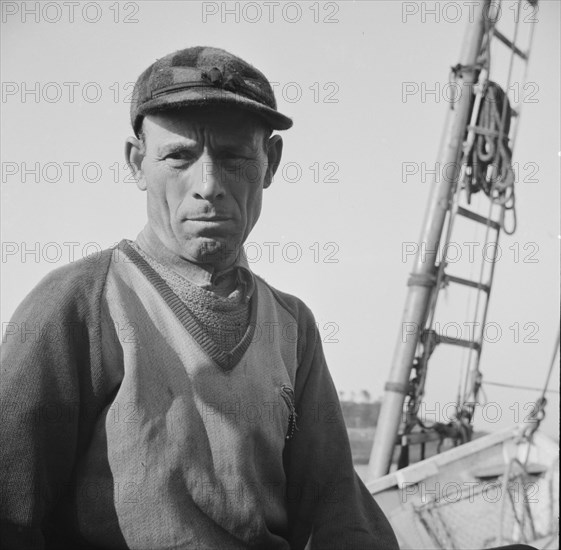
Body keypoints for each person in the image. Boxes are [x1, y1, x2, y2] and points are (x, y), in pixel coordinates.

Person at [0, 46, 399, 550]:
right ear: (138, 162)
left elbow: (338, 516)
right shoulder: (81, 303)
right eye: (179, 157)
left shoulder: (291, 325)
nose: (208, 185)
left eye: (234, 158)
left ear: (270, 162)